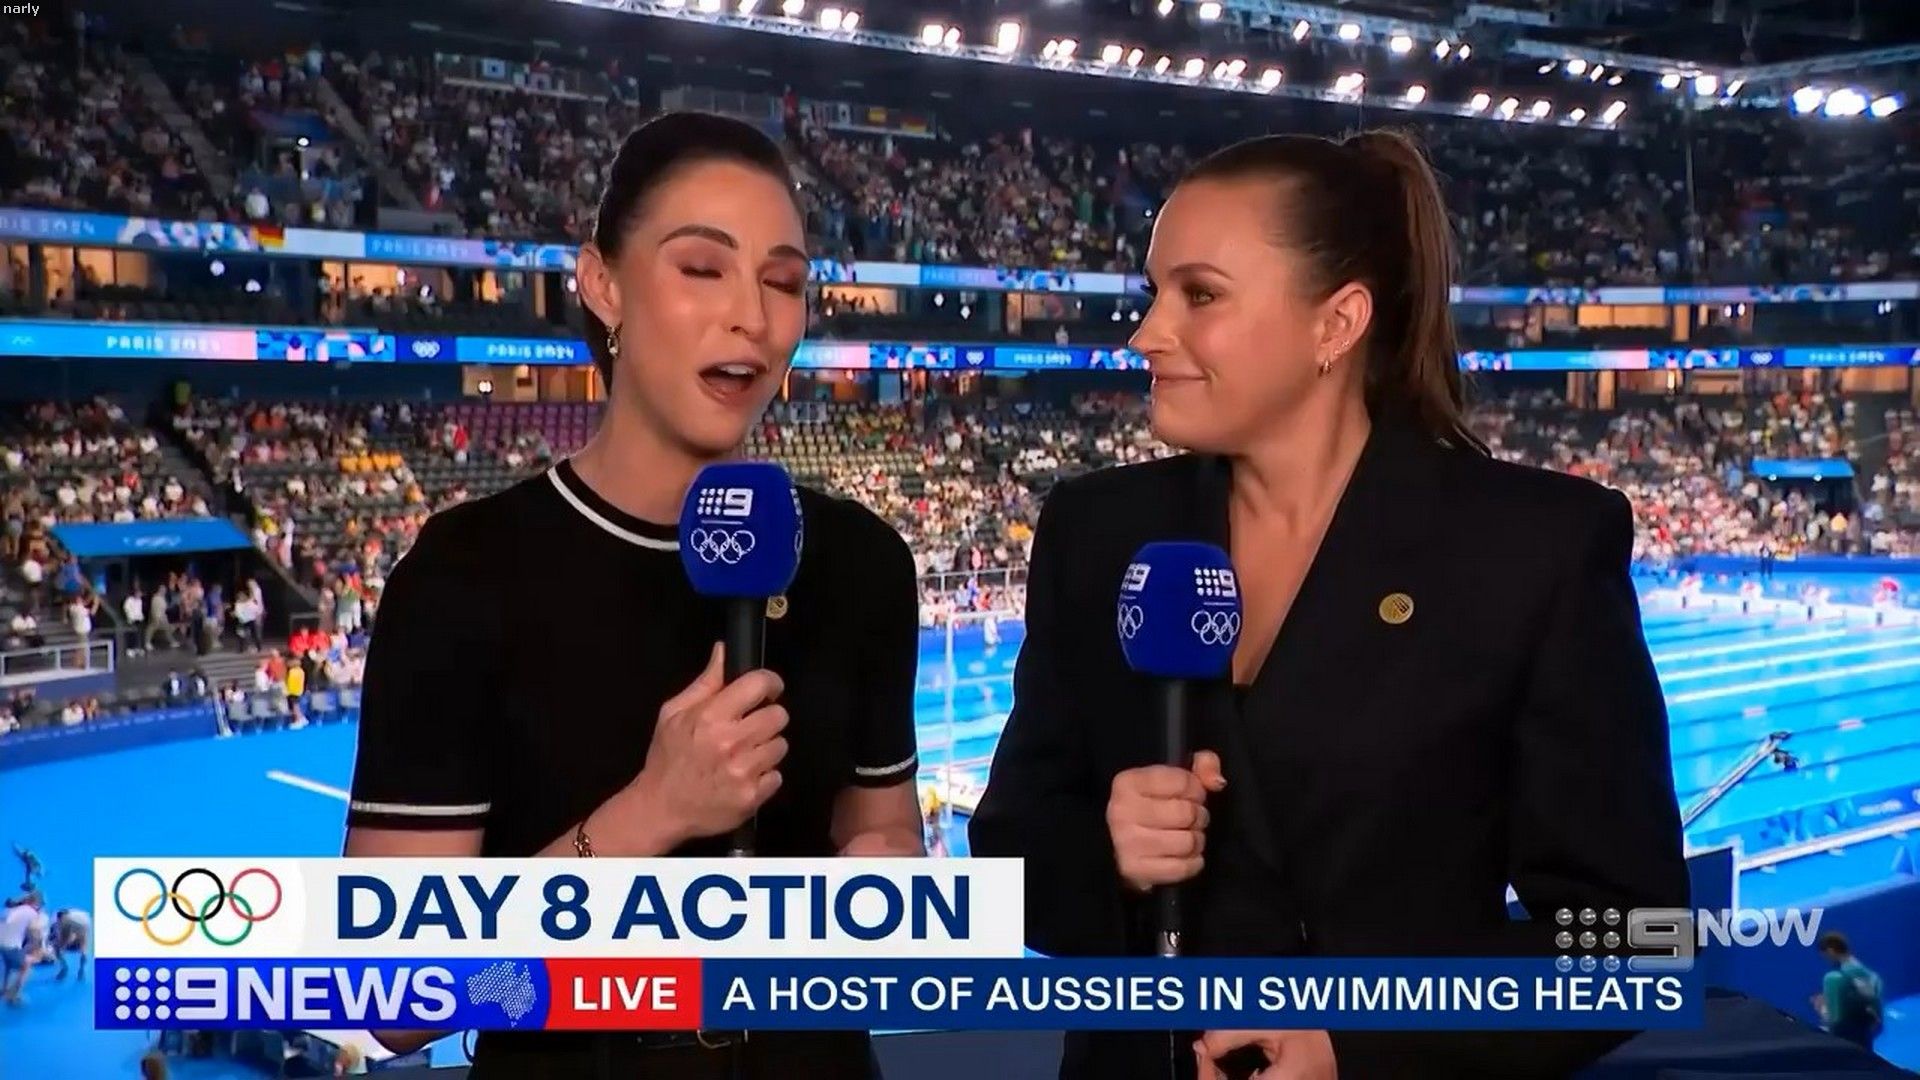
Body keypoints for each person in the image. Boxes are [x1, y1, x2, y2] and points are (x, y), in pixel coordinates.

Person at [969, 130, 1689, 1080]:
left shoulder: (1532, 550)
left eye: (1200, 295)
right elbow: (1009, 865)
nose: (1145, 333)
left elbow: (1636, 940)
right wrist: (1109, 856)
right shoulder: (1097, 533)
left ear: (1336, 324)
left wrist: (1359, 1042)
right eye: (1153, 294)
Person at [342, 112, 924, 1079]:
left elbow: (885, 831)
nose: (753, 317)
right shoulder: (465, 575)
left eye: (783, 281)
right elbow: (392, 998)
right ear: (603, 283)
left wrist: (886, 886)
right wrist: (651, 813)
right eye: (703, 268)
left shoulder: (861, 562)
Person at [1813, 931, 1883, 1050]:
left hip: (1848, 1036)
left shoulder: (1835, 978)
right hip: (1864, 1033)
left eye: (1825, 956)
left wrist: (1822, 1008)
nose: (1827, 959)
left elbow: (1835, 1018)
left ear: (1830, 951)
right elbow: (1871, 1001)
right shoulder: (1867, 973)